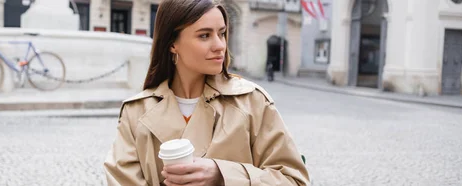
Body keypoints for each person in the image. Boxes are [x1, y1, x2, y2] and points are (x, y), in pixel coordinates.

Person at [103, 0, 310, 185]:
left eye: (221, 33)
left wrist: (222, 175)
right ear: (172, 43)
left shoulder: (252, 102)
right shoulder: (136, 112)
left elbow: (293, 180)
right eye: (204, 35)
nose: (220, 45)